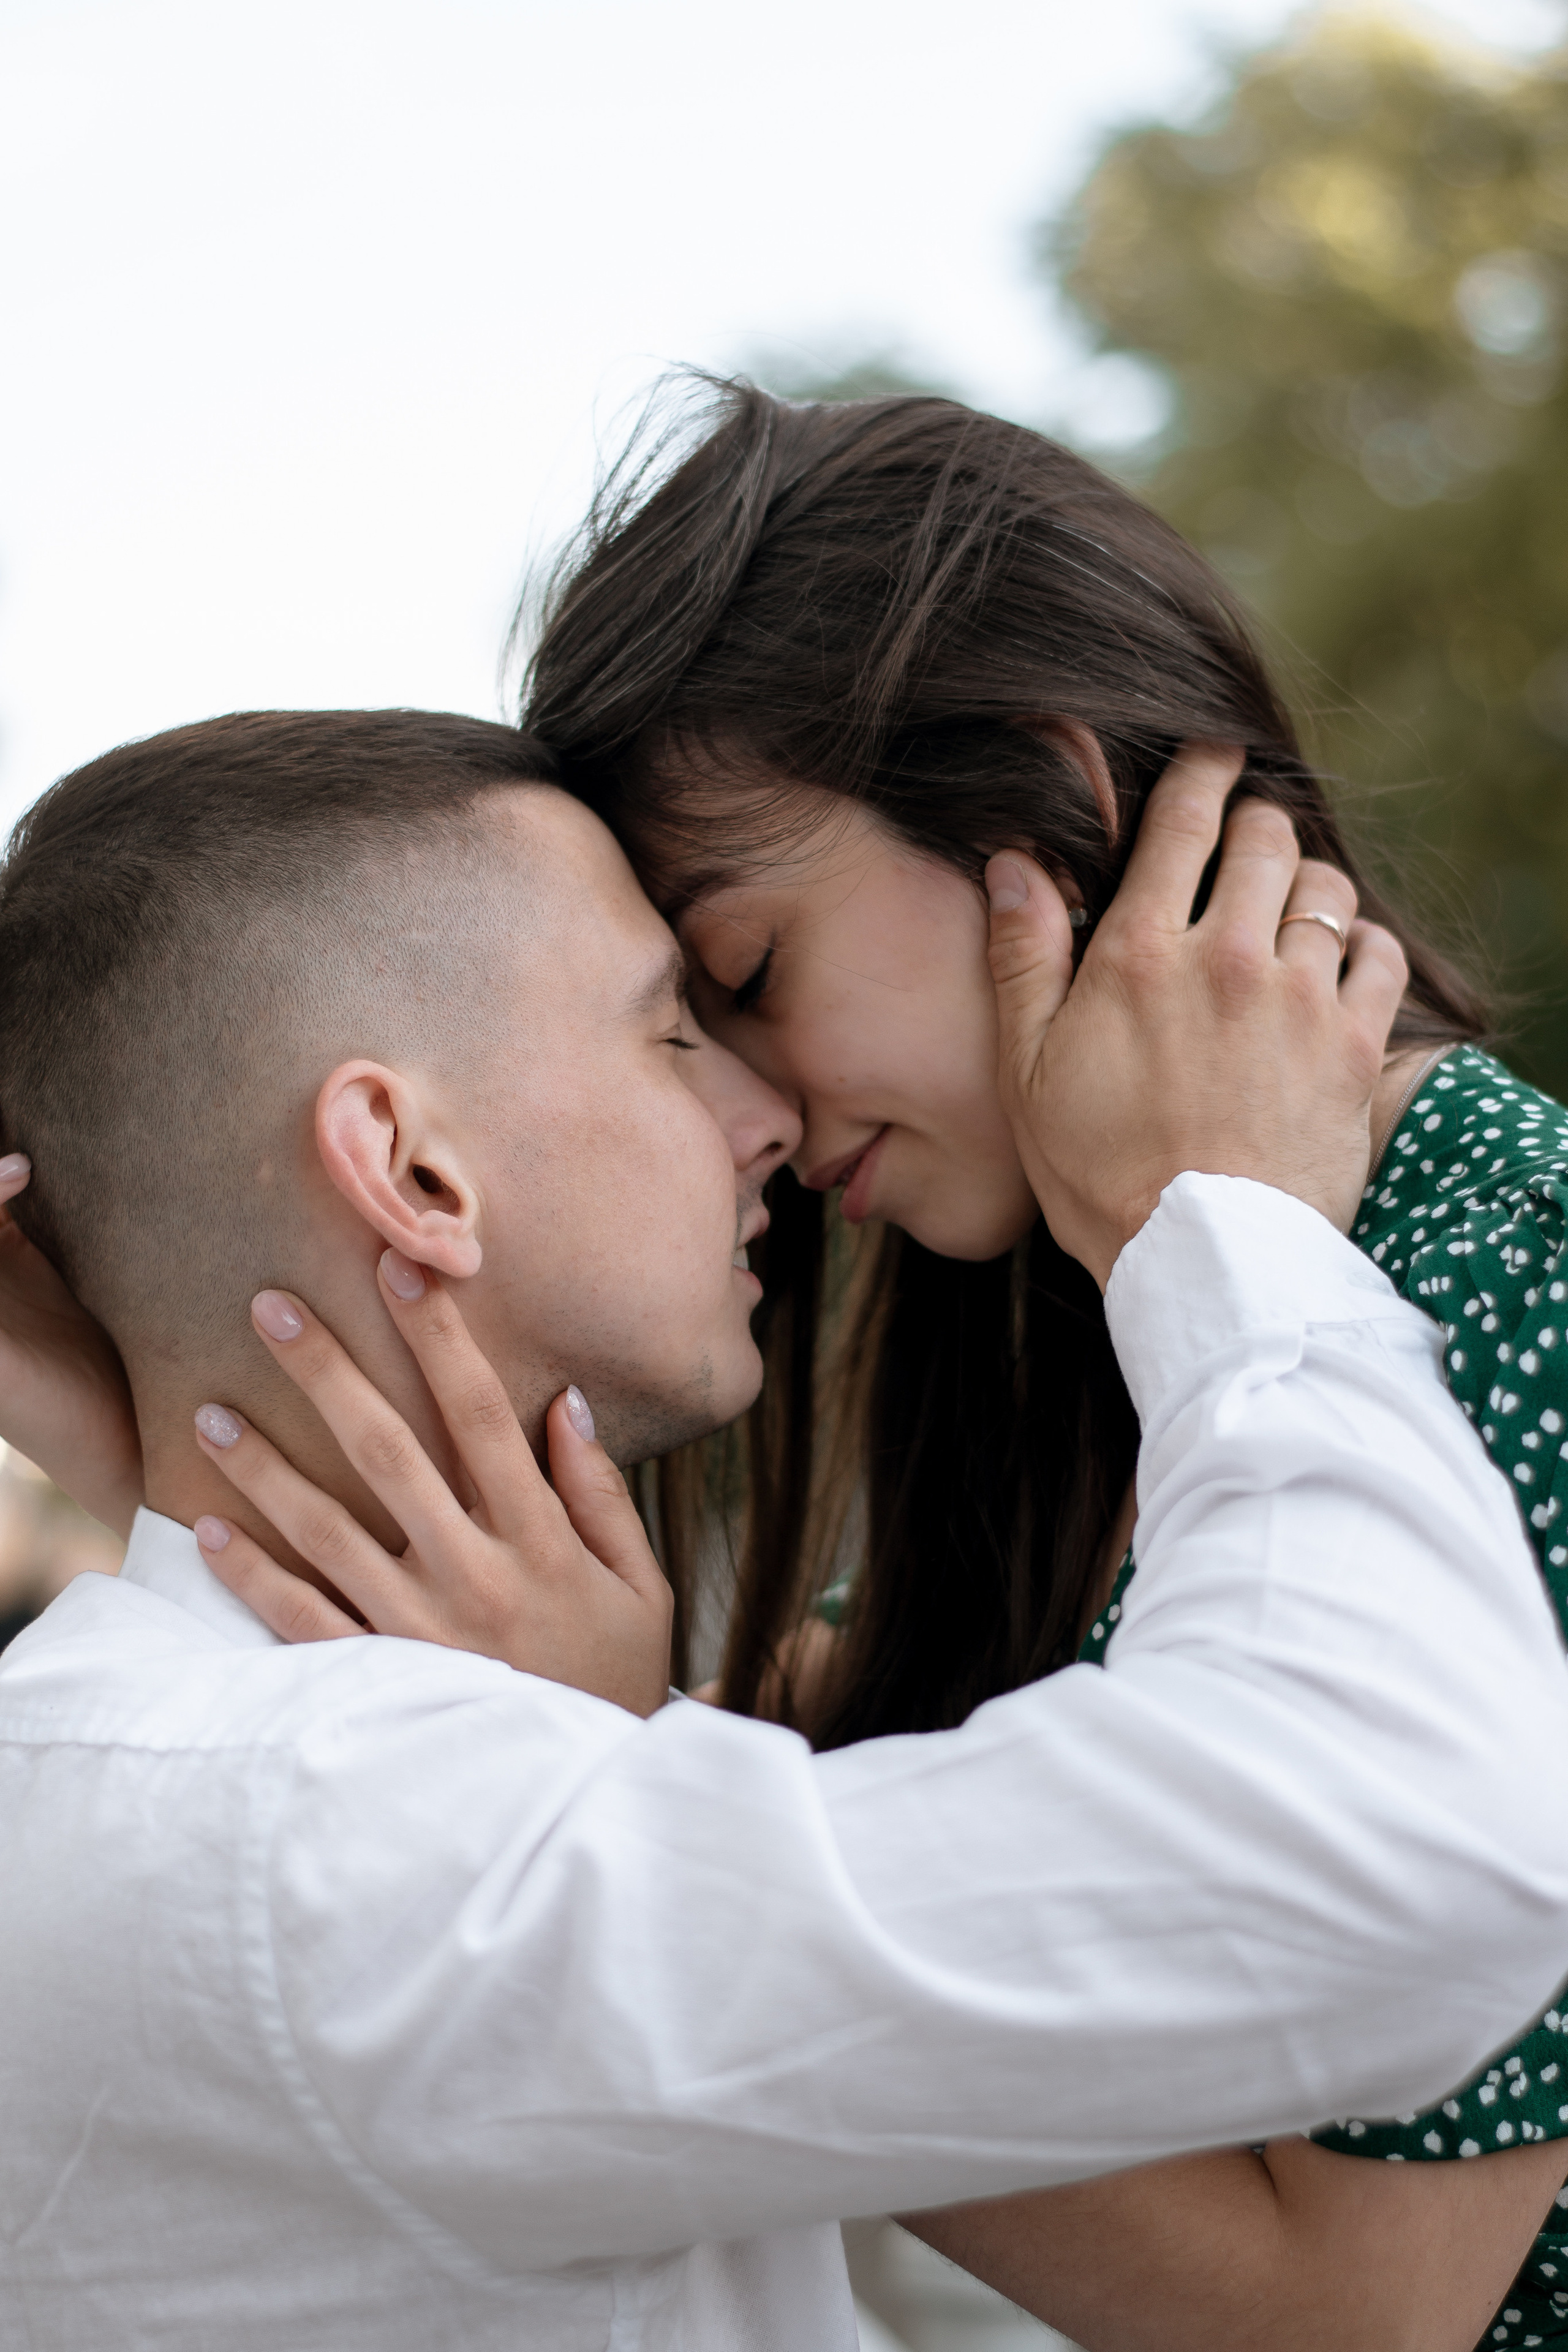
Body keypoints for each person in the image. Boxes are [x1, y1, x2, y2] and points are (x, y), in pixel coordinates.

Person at [1, 706, 1565, 2352]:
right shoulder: (340, 1847)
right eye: (676, 1023)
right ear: (415, 1171)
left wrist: (203, 1455)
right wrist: (1225, 1213)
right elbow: (1429, 1838)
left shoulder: (179, 1789)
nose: (771, 1114)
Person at [515, 381, 1568, 2349]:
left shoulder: (1512, 1288)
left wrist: (640, 1863)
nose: (749, 1103)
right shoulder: (1052, 1324)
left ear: (1049, 806)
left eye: (746, 976)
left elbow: (1350, 2320)